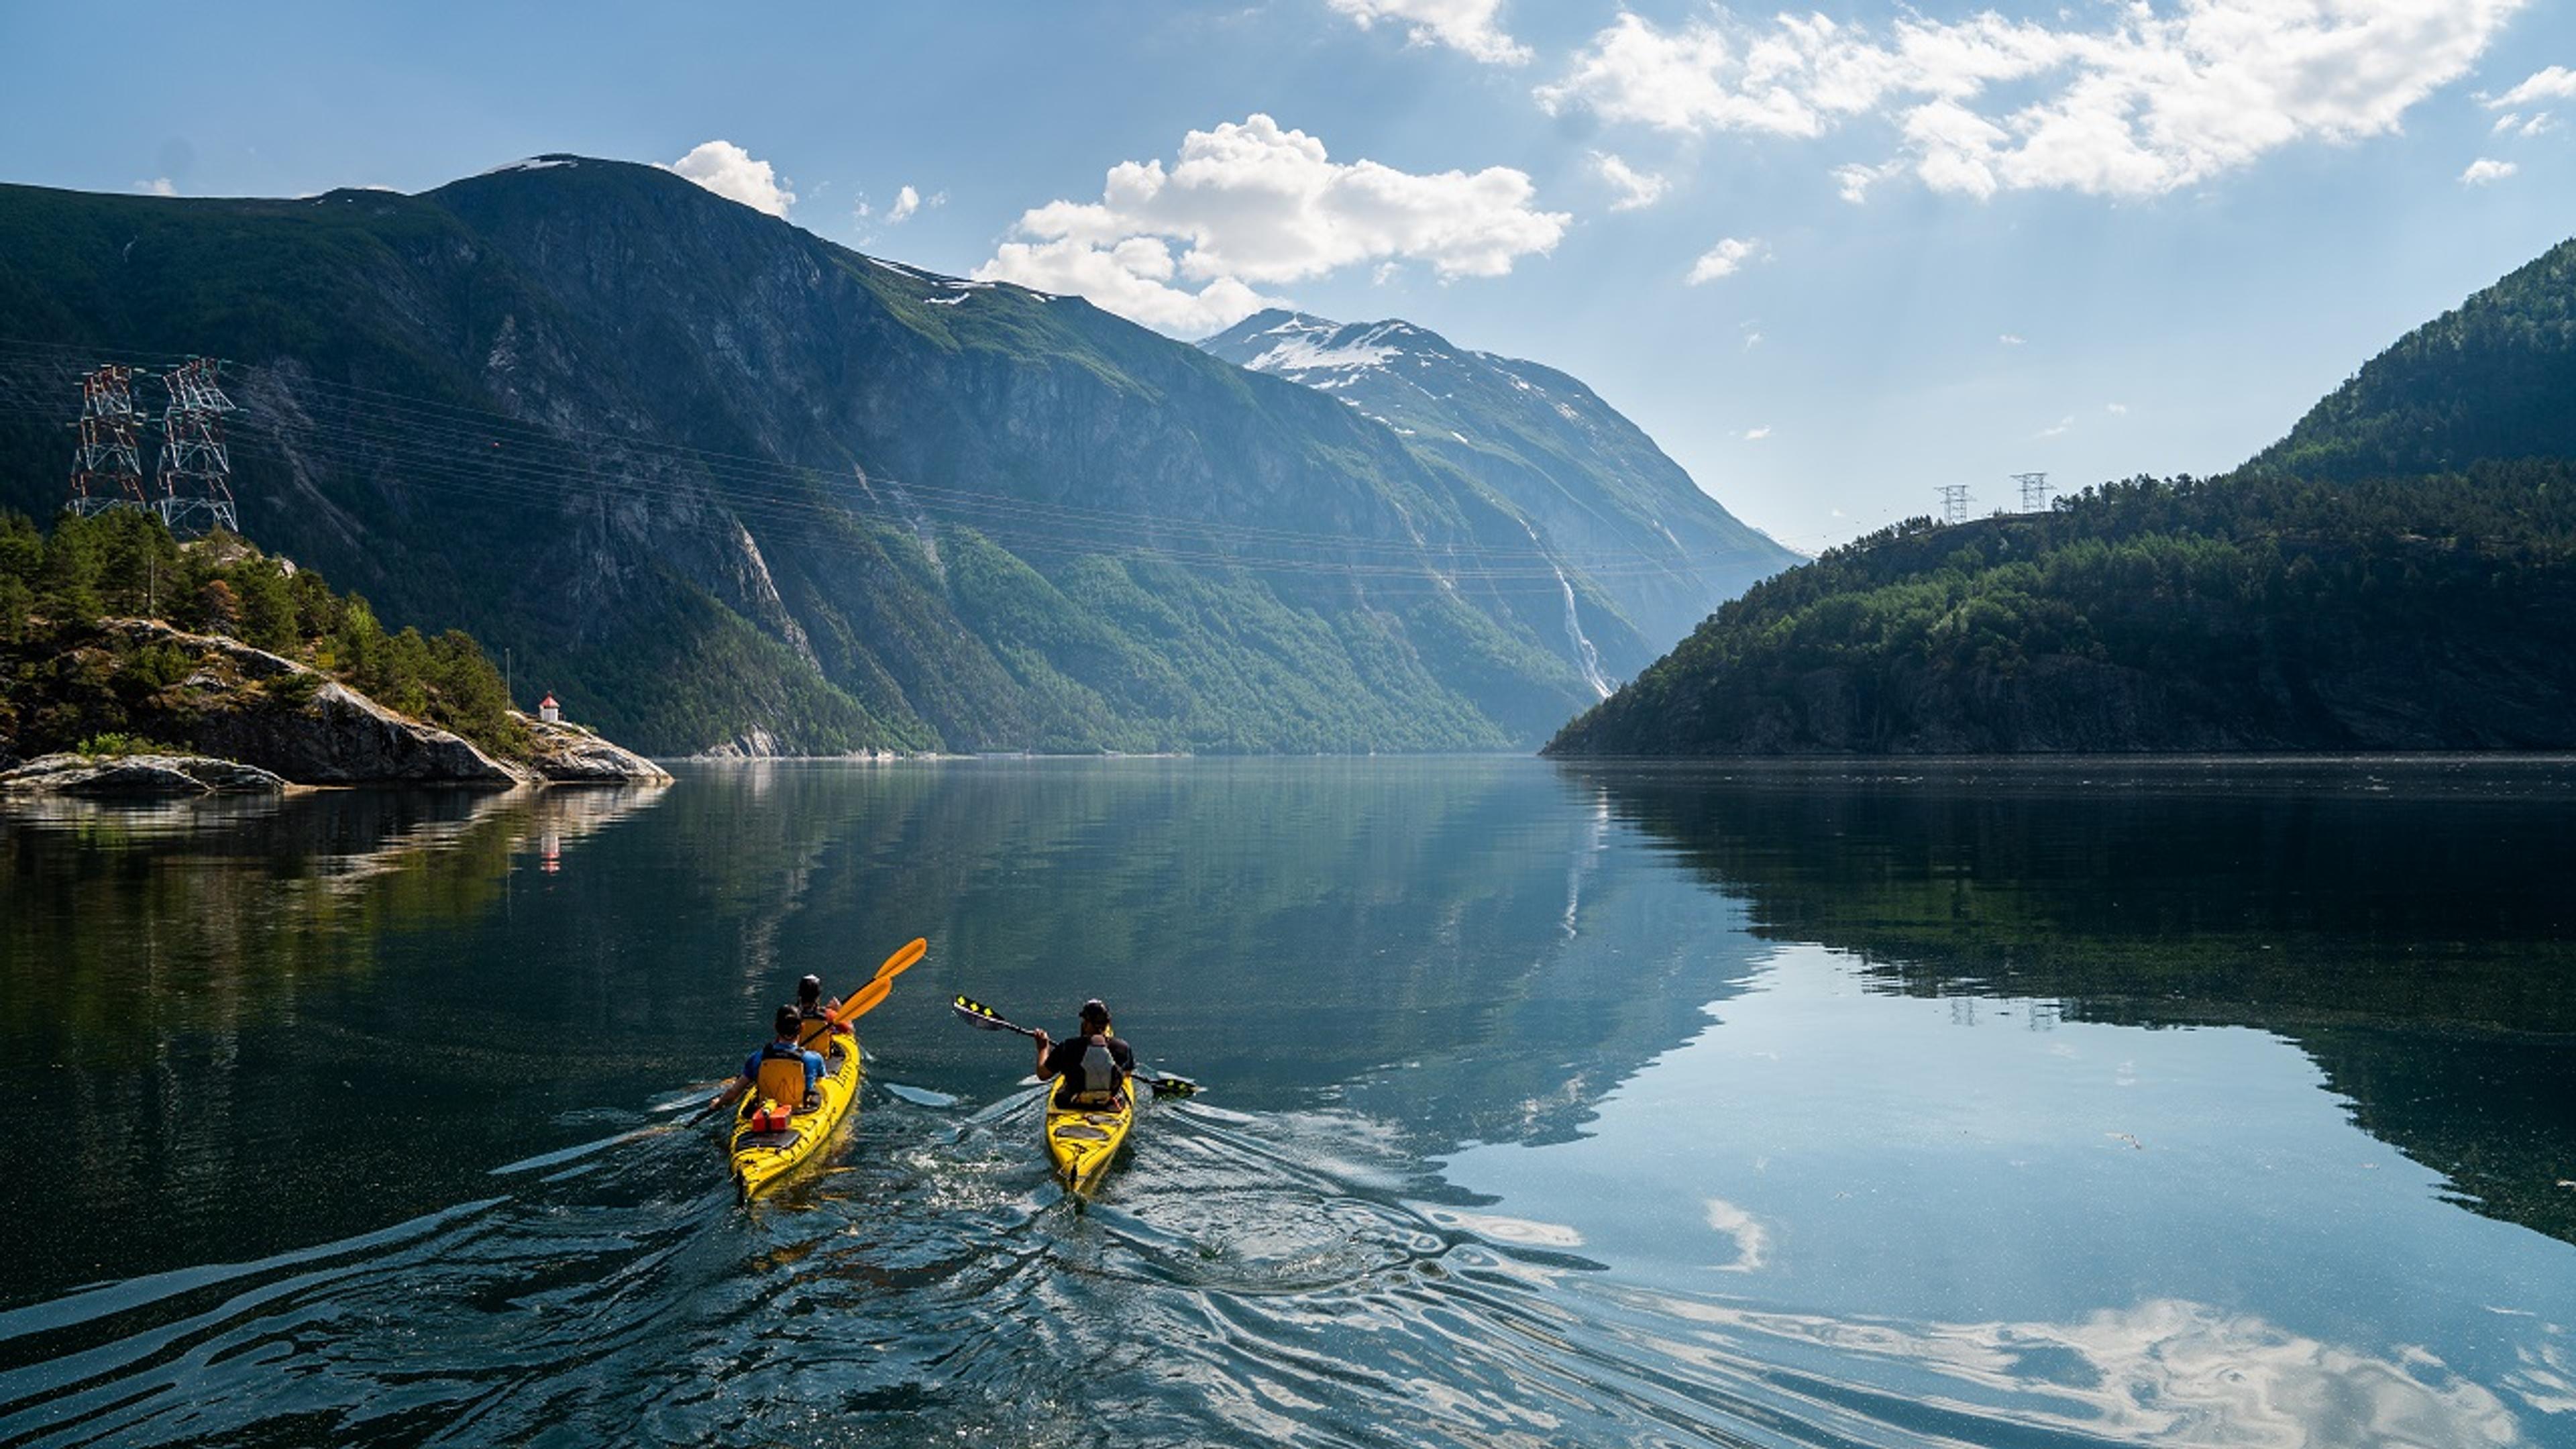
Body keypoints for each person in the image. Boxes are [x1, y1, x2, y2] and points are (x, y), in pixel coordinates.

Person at [723, 1004, 826, 1115]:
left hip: (764, 1113)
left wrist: (718, 1103)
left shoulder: (757, 1058)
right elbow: (823, 1083)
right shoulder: (814, 1059)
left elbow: (733, 1094)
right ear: (802, 1027)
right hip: (800, 1113)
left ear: (776, 1027)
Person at [1032, 998, 1134, 1110]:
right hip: (1109, 1106)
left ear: (1086, 1023)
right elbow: (1127, 1074)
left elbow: (1043, 1075)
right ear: (1108, 1023)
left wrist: (1043, 1048)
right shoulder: (1123, 1047)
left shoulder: (1067, 1047)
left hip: (1071, 1104)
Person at [794, 973, 847, 1051]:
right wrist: (840, 1011)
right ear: (818, 995)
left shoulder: (790, 1015)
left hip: (796, 1058)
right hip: (823, 1058)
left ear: (799, 994)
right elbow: (848, 1030)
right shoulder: (829, 1014)